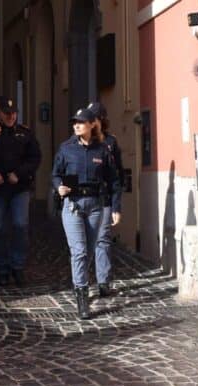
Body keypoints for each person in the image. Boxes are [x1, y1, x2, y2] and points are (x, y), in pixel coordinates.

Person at [52, 108, 122, 320]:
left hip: (95, 206)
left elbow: (114, 180)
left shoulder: (102, 150)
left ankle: (81, 283)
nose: (76, 125)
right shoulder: (66, 148)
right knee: (80, 251)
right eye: (75, 122)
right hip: (72, 205)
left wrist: (116, 207)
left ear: (92, 124)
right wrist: (59, 187)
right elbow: (55, 174)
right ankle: (82, 295)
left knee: (90, 250)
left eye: (81, 122)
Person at [0, 97, 41, 287]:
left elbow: (35, 158)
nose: (11, 117)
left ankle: (17, 267)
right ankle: (2, 269)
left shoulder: (25, 133)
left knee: (20, 225)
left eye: (13, 113)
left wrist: (19, 173)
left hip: (19, 188)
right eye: (7, 113)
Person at [87, 101, 124, 297]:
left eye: (92, 118)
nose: (89, 122)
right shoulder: (81, 141)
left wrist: (117, 206)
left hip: (105, 199)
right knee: (85, 242)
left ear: (100, 120)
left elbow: (117, 176)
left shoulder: (111, 142)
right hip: (85, 199)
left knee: (103, 238)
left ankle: (103, 281)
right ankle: (81, 281)